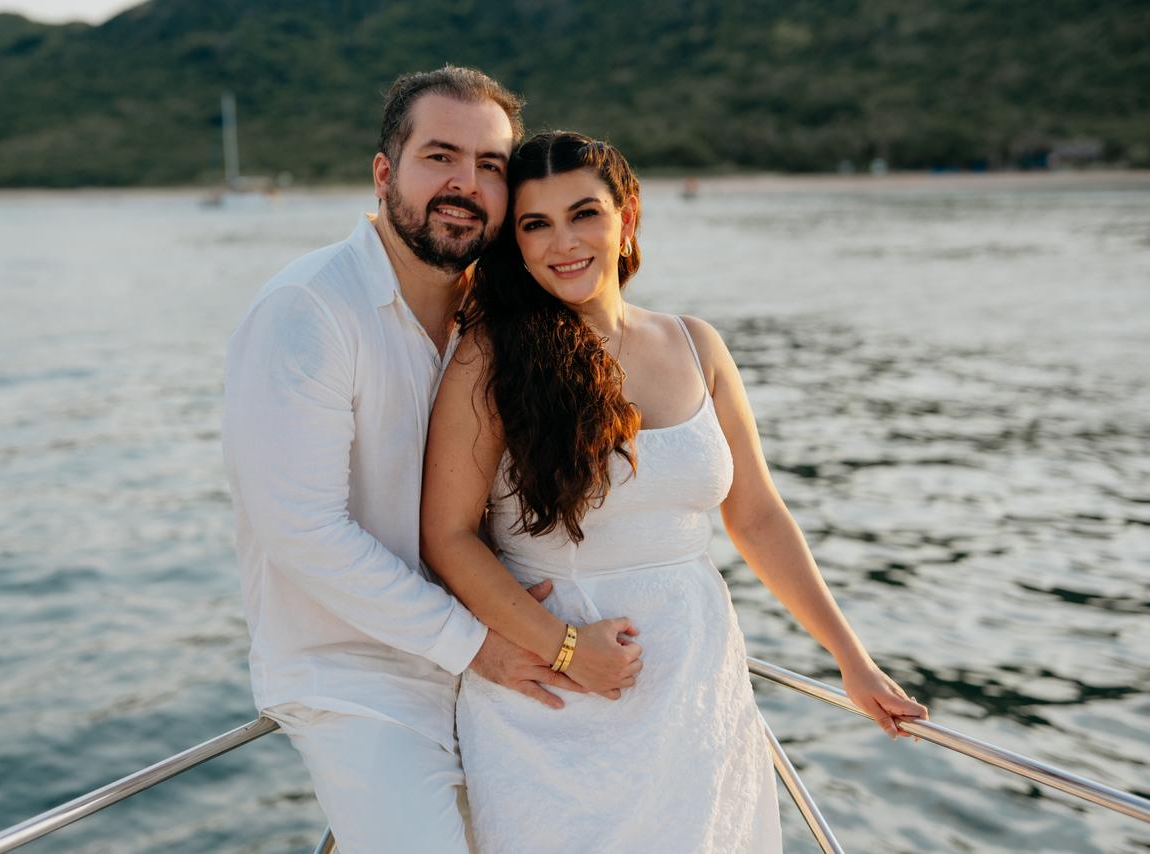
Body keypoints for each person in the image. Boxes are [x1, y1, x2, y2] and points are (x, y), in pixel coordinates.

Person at [420, 131, 931, 852]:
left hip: (696, 691)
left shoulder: (696, 344)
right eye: (536, 224)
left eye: (584, 214)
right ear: (518, 243)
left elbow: (757, 515)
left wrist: (851, 659)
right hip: (555, 702)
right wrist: (564, 648)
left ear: (626, 217)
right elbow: (446, 536)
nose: (564, 243)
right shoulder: (490, 357)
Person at [222, 71, 636, 854]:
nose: (465, 184)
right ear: (385, 173)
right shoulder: (308, 309)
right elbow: (302, 531)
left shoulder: (497, 324)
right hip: (358, 680)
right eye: (440, 157)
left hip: (490, 657)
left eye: (489, 165)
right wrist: (481, 643)